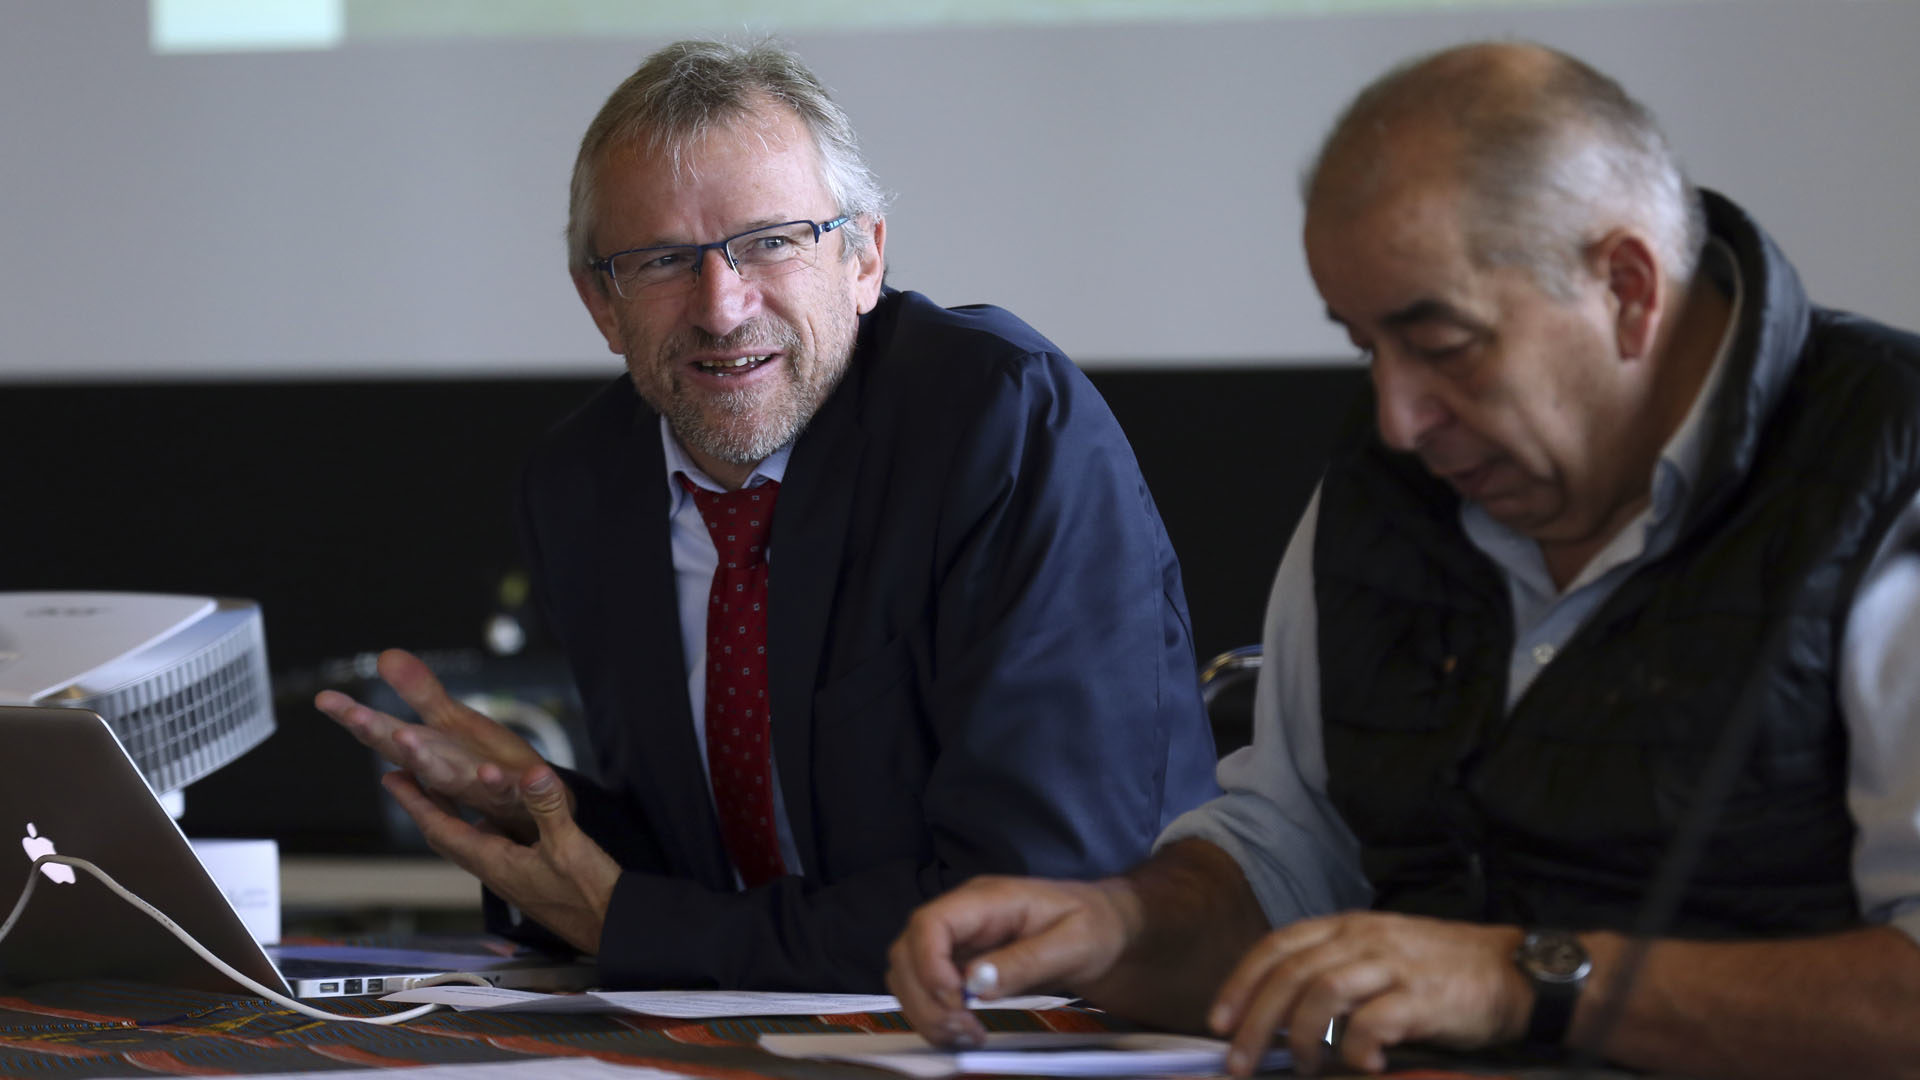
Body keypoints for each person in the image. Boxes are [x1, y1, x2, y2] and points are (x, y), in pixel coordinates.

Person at [886, 41, 1920, 1078]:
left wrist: (1525, 981)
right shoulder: (1386, 497)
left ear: (1628, 286)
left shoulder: (1886, 477)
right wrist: (1118, 926)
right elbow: (1287, 858)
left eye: (1445, 344)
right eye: (1365, 347)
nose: (1397, 418)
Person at [315, 39, 1218, 992]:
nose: (722, 305)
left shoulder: (1002, 423)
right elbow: (718, 869)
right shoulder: (581, 486)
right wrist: (542, 821)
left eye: (771, 242)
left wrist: (637, 927)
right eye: (664, 260)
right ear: (601, 304)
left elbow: (1038, 902)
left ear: (865, 259)